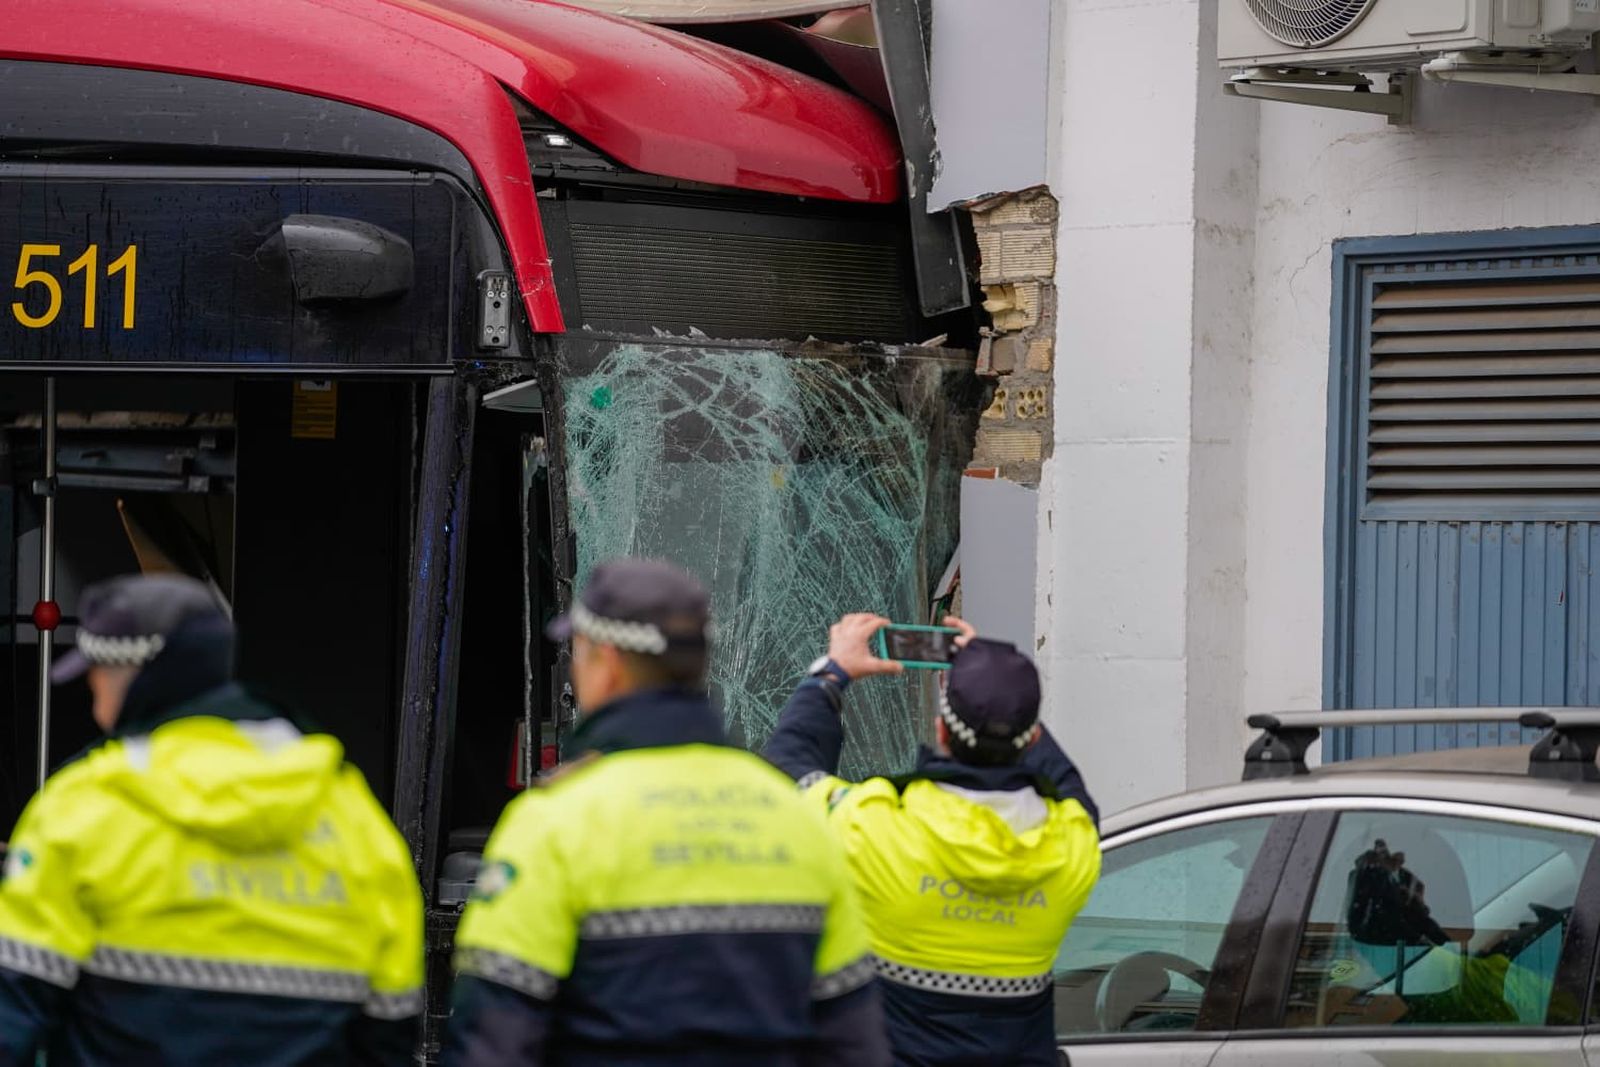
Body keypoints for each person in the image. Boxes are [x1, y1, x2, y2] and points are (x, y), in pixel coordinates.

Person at [442, 558, 888, 1067]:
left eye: (578, 652)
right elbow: (854, 1040)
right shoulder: (793, 814)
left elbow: (492, 1040)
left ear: (607, 662)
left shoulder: (555, 822)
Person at [0, 574, 423, 1066]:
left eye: (95, 675)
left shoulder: (86, 807)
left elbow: (14, 1009)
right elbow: (391, 1032)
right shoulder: (350, 813)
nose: (94, 697)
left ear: (131, 678)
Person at [764, 613, 1101, 1067]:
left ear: (941, 730)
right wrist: (1003, 691)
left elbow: (787, 776)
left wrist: (830, 674)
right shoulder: (1071, 847)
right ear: (1032, 737)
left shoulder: (876, 829)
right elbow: (1072, 791)